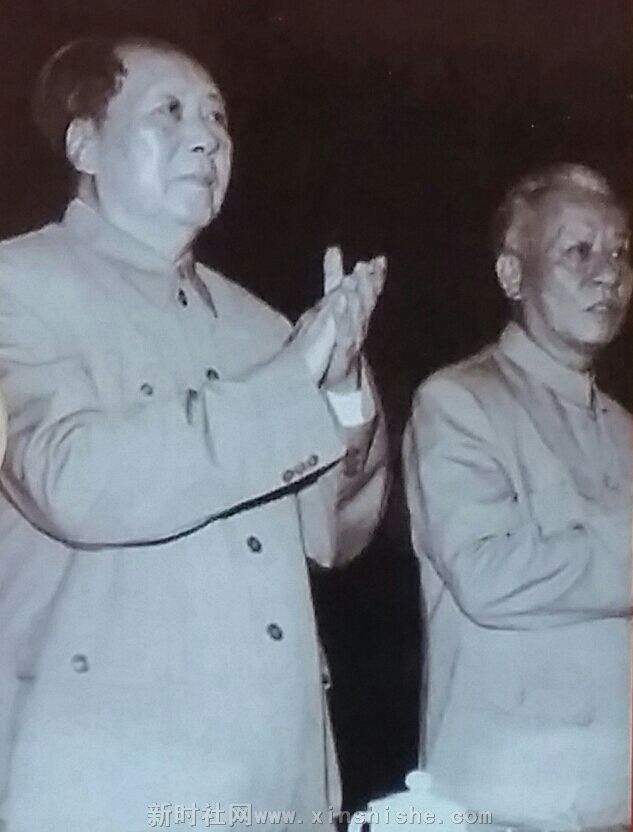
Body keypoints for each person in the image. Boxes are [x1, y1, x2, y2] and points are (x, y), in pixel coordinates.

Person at [0, 36, 389, 832]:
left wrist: (345, 392)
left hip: (276, 781)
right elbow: (72, 481)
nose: (208, 138)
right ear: (84, 145)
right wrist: (293, 379)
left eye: (216, 117)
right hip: (110, 781)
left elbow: (333, 538)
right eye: (169, 112)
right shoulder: (18, 284)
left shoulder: (262, 325)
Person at [403, 164, 632, 829]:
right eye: (578, 251)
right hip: (503, 807)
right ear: (512, 274)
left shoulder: (623, 428)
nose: (609, 274)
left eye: (620, 251)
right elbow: (487, 575)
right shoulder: (458, 401)